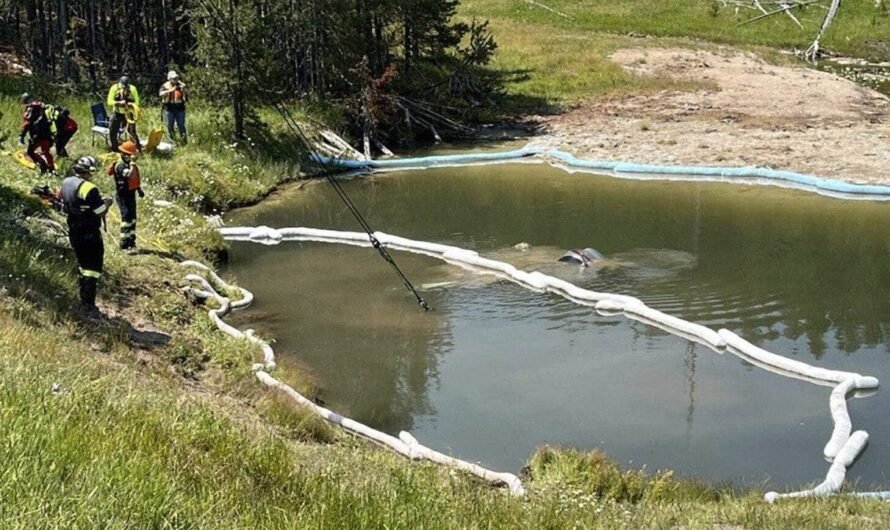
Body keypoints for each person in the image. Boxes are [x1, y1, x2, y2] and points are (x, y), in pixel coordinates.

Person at [61, 156, 113, 318]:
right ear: (89, 171)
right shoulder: (89, 188)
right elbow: (99, 211)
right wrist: (107, 203)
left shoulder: (67, 182)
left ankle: (82, 298)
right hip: (89, 231)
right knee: (92, 268)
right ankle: (88, 305)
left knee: (83, 264)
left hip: (73, 228)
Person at [109, 141, 144, 251]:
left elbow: (134, 180)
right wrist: (133, 164)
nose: (132, 157)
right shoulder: (120, 165)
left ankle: (131, 241)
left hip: (131, 193)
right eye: (130, 155)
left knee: (132, 217)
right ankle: (124, 243)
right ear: (124, 154)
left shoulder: (128, 164)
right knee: (126, 217)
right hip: (123, 195)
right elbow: (130, 175)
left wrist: (139, 189)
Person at [18, 93, 55, 174]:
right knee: (46, 152)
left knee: (30, 152)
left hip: (37, 135)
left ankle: (43, 166)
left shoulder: (30, 108)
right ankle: (52, 169)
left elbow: (27, 123)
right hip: (47, 134)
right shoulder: (42, 106)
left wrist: (22, 135)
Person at [106, 75, 141, 153]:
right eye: (123, 85)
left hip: (129, 113)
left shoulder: (133, 88)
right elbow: (109, 102)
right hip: (117, 112)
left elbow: (137, 102)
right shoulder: (114, 88)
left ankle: (136, 148)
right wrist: (118, 103)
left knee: (132, 131)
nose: (125, 87)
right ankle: (115, 148)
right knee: (112, 130)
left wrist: (130, 104)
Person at [159, 70, 188, 143]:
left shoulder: (181, 85)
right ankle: (172, 141)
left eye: (176, 78)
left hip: (180, 108)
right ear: (169, 79)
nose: (175, 79)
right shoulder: (165, 86)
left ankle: (184, 141)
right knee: (169, 125)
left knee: (181, 125)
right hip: (169, 109)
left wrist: (183, 88)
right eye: (173, 78)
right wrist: (170, 91)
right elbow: (160, 94)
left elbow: (186, 94)